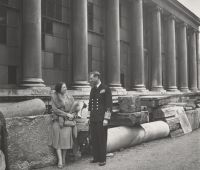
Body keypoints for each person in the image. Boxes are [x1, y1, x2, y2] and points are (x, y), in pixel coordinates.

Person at [48, 82, 81, 168]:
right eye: (63, 87)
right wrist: (66, 114)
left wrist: (74, 113)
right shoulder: (54, 96)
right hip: (58, 121)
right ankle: (60, 160)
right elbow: (55, 109)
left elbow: (75, 108)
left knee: (65, 142)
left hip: (68, 122)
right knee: (58, 142)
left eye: (66, 87)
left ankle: (63, 158)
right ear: (59, 89)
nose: (65, 89)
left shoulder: (70, 97)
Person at [88, 71, 112, 166]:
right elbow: (90, 104)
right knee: (94, 138)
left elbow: (109, 105)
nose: (90, 80)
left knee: (102, 139)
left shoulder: (105, 89)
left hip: (102, 119)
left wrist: (106, 118)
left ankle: (102, 159)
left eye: (91, 78)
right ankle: (96, 157)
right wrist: (88, 117)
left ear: (97, 77)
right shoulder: (93, 89)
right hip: (93, 118)